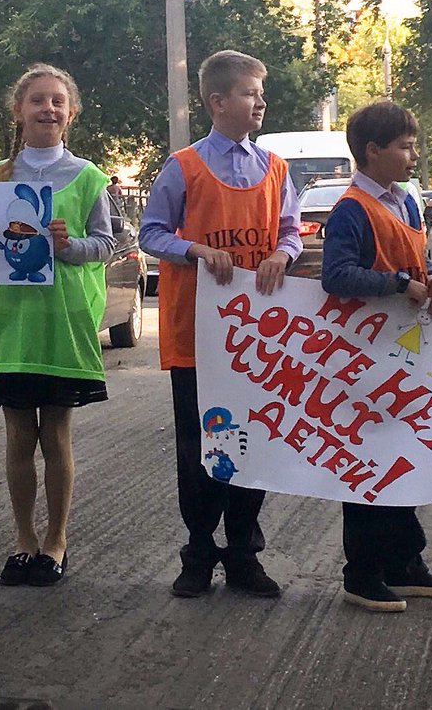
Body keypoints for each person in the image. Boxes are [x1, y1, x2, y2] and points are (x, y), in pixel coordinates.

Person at [140, 49, 302, 600]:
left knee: (252, 443)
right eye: (251, 93)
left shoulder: (275, 168)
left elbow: (290, 231)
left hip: (257, 336)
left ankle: (243, 555)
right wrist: (194, 250)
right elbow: (150, 233)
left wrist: (283, 253)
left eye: (260, 93)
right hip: (197, 335)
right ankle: (198, 553)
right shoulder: (183, 166)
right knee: (198, 445)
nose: (261, 102)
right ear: (217, 101)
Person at [0, 63, 115, 587]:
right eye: (38, 101)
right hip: (11, 319)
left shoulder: (90, 176)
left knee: (56, 434)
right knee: (16, 435)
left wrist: (68, 246)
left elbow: (107, 244)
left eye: (57, 101)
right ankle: (24, 539)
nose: (48, 109)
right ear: (18, 112)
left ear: (70, 114)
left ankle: (57, 541)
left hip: (64, 320)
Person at [321, 100, 432, 612]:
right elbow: (335, 277)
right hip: (363, 357)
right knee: (365, 464)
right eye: (404, 147)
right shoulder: (351, 210)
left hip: (404, 354)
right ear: (373, 152)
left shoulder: (405, 201)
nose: (413, 155)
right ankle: (362, 571)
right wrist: (399, 284)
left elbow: (423, 257)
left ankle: (405, 562)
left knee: (403, 457)